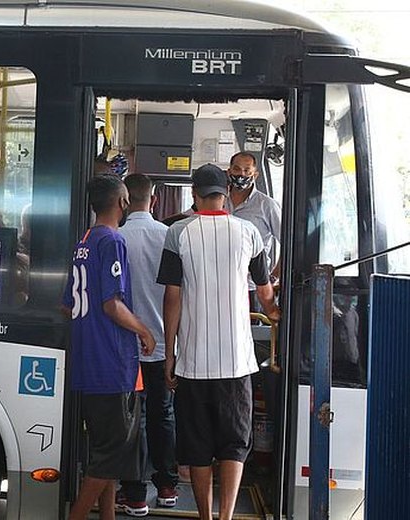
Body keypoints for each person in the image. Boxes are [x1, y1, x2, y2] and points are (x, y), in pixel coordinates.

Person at [156, 164, 280, 520]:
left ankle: (205, 517)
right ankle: (226, 516)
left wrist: (170, 355)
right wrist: (274, 313)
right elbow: (265, 292)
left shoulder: (178, 233)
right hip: (237, 363)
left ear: (194, 195)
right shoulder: (249, 232)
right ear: (226, 191)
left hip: (193, 363)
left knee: (196, 447)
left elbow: (173, 298)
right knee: (234, 445)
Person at [62, 175, 155, 520]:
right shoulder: (112, 241)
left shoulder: (83, 242)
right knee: (110, 455)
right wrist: (143, 330)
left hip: (87, 362)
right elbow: (111, 304)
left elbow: (67, 304)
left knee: (105, 452)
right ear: (121, 203)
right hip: (112, 364)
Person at [115, 174, 178, 516]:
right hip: (163, 345)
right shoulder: (168, 237)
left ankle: (134, 493)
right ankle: (167, 486)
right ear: (153, 201)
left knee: (133, 420)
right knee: (163, 414)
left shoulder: (117, 239)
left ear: (124, 200)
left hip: (126, 347)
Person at [224, 152, 282, 286]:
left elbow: (288, 244)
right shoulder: (218, 200)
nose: (241, 175)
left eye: (247, 170)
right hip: (222, 283)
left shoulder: (267, 205)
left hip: (253, 286)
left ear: (255, 174)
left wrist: (273, 278)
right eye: (237, 169)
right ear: (229, 172)